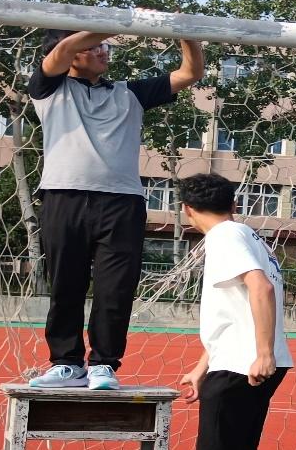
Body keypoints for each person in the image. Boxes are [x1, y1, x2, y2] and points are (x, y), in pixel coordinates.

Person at [26, 28, 204, 390]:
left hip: (122, 201)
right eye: (94, 48)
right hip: (64, 197)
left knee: (116, 289)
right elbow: (62, 49)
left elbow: (191, 73)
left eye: (105, 47)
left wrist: (184, 33)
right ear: (74, 55)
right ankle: (66, 363)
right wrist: (124, 22)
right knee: (66, 285)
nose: (104, 52)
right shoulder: (49, 88)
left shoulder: (130, 93)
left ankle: (104, 364)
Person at [177, 173, 293, 450]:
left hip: (244, 365)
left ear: (187, 210)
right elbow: (236, 312)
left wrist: (262, 352)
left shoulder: (224, 237)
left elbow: (260, 288)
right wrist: (201, 367)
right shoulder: (247, 235)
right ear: (234, 204)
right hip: (243, 361)